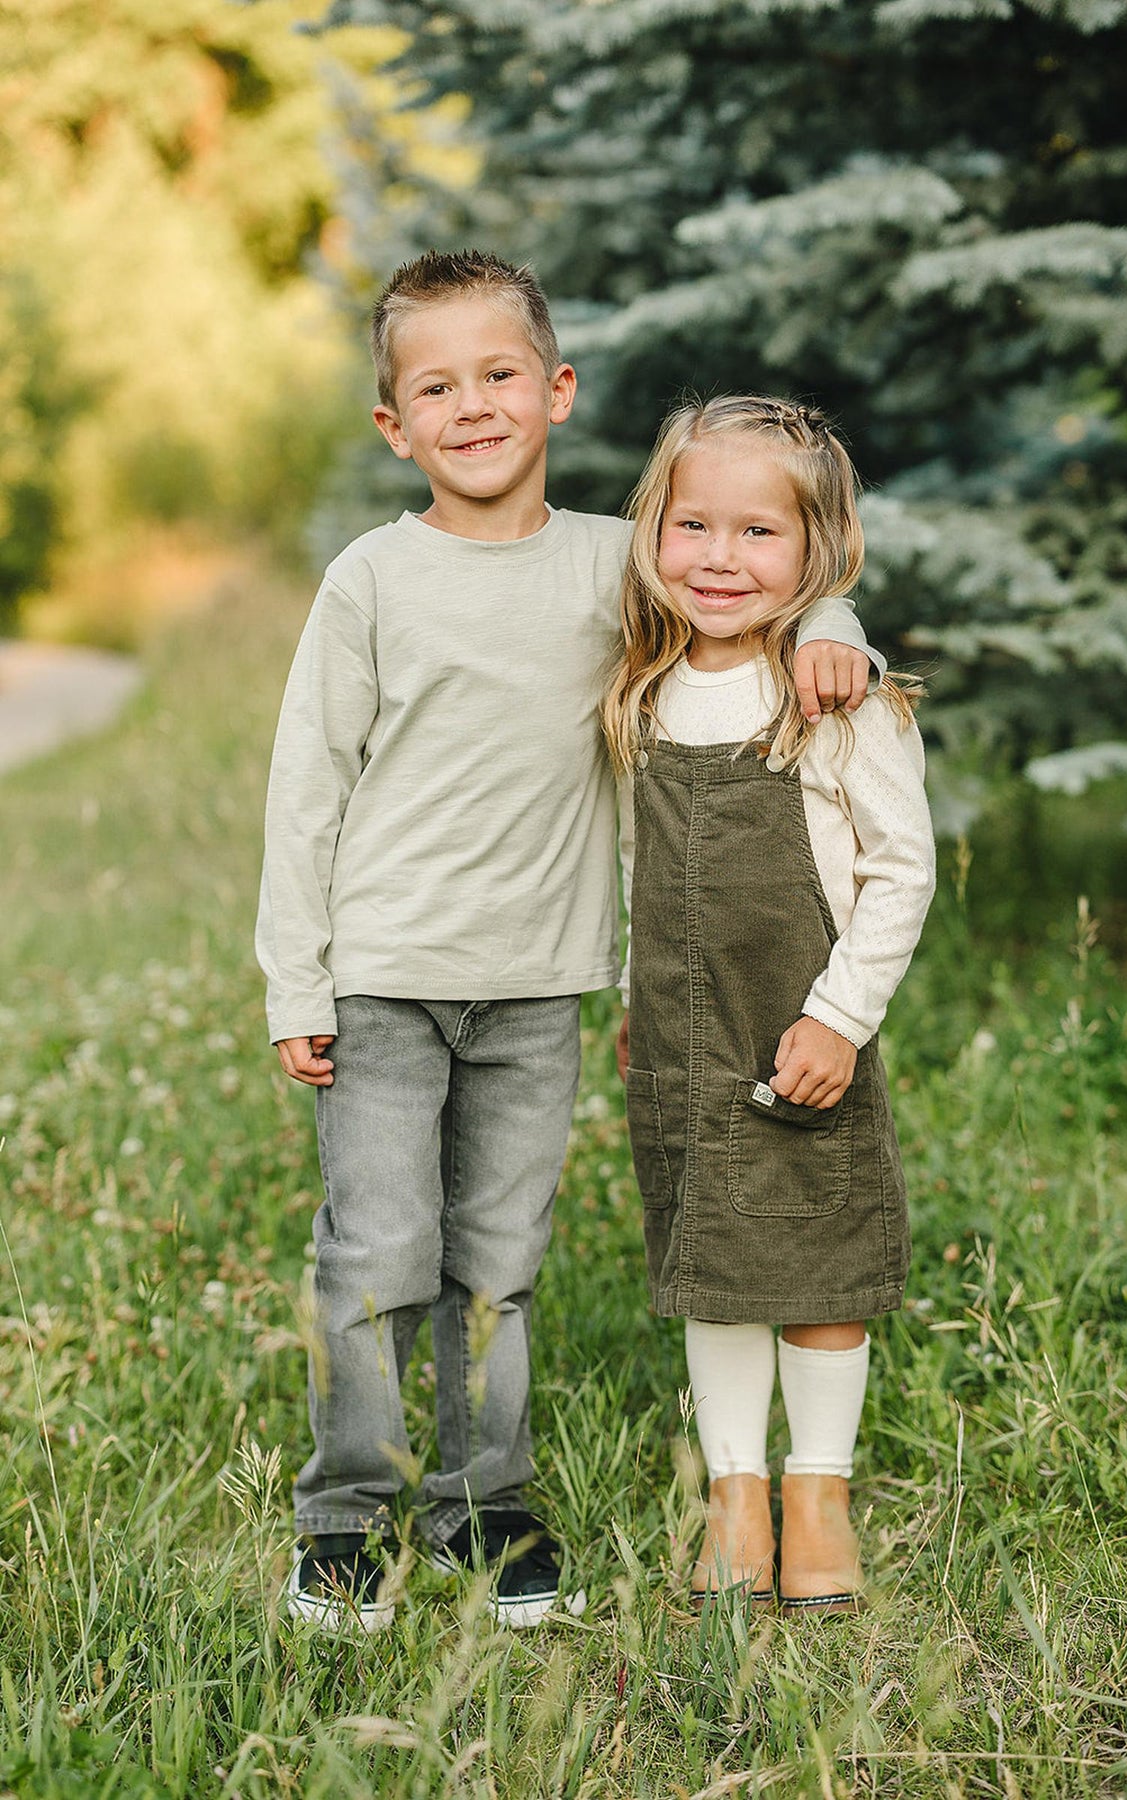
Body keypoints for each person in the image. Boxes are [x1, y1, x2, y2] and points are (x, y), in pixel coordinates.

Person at [256, 252, 879, 1635]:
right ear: (392, 425)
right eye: (435, 385)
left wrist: (837, 622)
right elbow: (308, 787)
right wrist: (294, 974)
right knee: (376, 1251)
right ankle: (348, 1515)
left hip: (541, 986)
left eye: (498, 375)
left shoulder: (623, 564)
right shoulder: (372, 580)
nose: (471, 406)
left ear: (557, 392)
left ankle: (488, 1504)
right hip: (384, 983)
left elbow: (757, 591)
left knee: (498, 1253)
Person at [604, 394, 936, 1613]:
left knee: (819, 1261)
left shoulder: (837, 701)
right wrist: (643, 988)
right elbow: (643, 867)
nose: (722, 559)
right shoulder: (643, 691)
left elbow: (904, 870)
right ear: (655, 530)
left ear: (816, 552)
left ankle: (817, 1491)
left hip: (802, 1030)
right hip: (686, 1031)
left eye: (760, 534)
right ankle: (735, 1494)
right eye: (696, 525)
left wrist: (842, 1017)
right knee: (714, 1260)